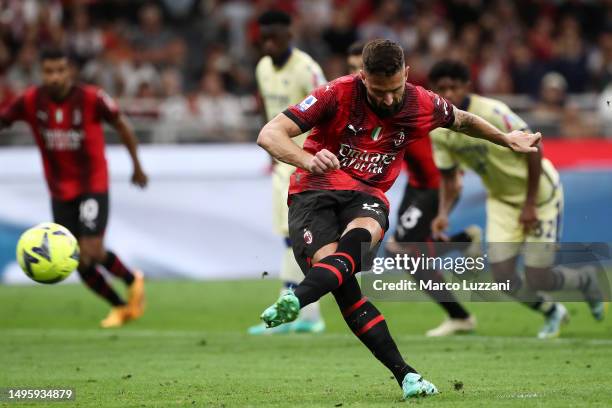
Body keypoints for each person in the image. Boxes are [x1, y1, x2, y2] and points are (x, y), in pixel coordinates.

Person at [256, 39, 540, 399]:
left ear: (406, 74)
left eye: (395, 89)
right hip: (313, 192)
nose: (388, 99)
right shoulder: (336, 93)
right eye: (378, 91)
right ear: (362, 76)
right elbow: (269, 134)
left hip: (366, 195)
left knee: (360, 239)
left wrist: (505, 138)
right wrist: (307, 159)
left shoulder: (422, 102)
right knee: (346, 290)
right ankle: (406, 374)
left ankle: (298, 299)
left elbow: (463, 120)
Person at [429, 60, 606, 339]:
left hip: (540, 195)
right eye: (441, 88)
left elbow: (535, 147)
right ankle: (551, 312)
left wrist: (530, 203)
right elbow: (450, 179)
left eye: (454, 86)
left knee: (539, 276)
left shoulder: (492, 112)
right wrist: (443, 213)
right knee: (502, 277)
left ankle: (584, 279)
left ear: (467, 86)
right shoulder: (439, 129)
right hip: (500, 200)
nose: (448, 93)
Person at [0, 49, 147, 328]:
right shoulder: (30, 100)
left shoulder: (92, 98)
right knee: (78, 260)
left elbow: (122, 126)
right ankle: (121, 307)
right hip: (59, 190)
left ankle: (132, 280)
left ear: (70, 72)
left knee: (91, 248)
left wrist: (137, 166)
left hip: (92, 183)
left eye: (60, 70)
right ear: (41, 73)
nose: (54, 77)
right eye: (48, 71)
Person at [346, 41, 478, 337]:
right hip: (416, 184)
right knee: (404, 252)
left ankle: (460, 313)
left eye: (358, 68)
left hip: (432, 186)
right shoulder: (365, 101)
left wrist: (451, 181)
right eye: (351, 69)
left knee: (401, 250)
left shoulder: (409, 101)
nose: (355, 75)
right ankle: (462, 243)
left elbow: (454, 132)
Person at [247, 10, 327, 335]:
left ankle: (291, 307)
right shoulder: (262, 68)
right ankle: (308, 315)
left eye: (275, 38)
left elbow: (329, 110)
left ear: (289, 36)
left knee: (296, 237)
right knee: (290, 237)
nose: (269, 44)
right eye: (264, 38)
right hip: (282, 163)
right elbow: (271, 117)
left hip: (308, 162)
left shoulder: (308, 70)